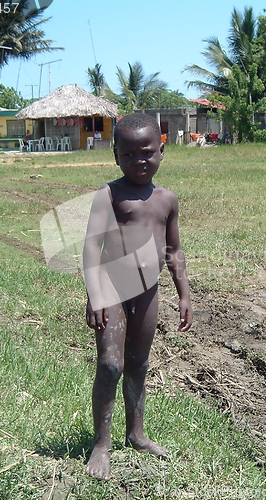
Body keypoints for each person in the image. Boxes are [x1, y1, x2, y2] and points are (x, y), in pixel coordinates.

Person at [83, 113, 193, 480]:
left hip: (148, 293)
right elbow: (91, 249)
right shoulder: (109, 194)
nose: (139, 160)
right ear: (115, 156)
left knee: (139, 365)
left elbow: (174, 250)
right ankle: (101, 444)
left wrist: (184, 294)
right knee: (111, 365)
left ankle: (136, 432)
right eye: (128, 154)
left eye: (146, 152)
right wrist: (95, 295)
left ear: (162, 151)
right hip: (113, 289)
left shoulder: (167, 199)